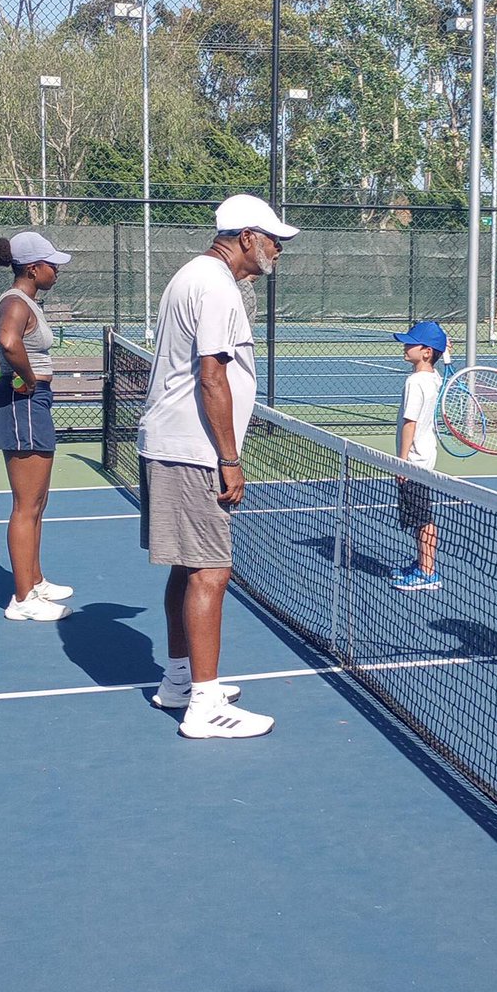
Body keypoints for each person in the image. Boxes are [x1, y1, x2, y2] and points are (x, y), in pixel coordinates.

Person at [138, 194, 299, 739]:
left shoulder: (196, 275)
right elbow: (213, 376)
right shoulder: (215, 286)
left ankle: (181, 681)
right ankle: (204, 707)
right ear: (246, 237)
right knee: (211, 570)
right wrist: (229, 458)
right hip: (195, 450)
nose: (279, 249)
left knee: (189, 566)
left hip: (176, 444)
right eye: (274, 239)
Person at [0, 231, 74, 622]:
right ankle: (22, 599)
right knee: (26, 505)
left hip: (31, 402)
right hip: (22, 402)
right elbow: (9, 341)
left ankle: (35, 581)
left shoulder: (25, 301)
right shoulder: (15, 302)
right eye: (51, 263)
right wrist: (27, 378)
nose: (56, 269)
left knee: (38, 501)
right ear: (33, 268)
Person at [389, 319, 446, 592]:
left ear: (426, 352)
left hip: (413, 462)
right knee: (418, 517)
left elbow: (409, 422)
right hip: (425, 459)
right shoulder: (434, 378)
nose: (405, 346)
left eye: (411, 343)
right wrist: (444, 351)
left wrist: (401, 461)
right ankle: (421, 563)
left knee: (422, 519)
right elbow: (442, 360)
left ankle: (428, 572)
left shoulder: (415, 381)